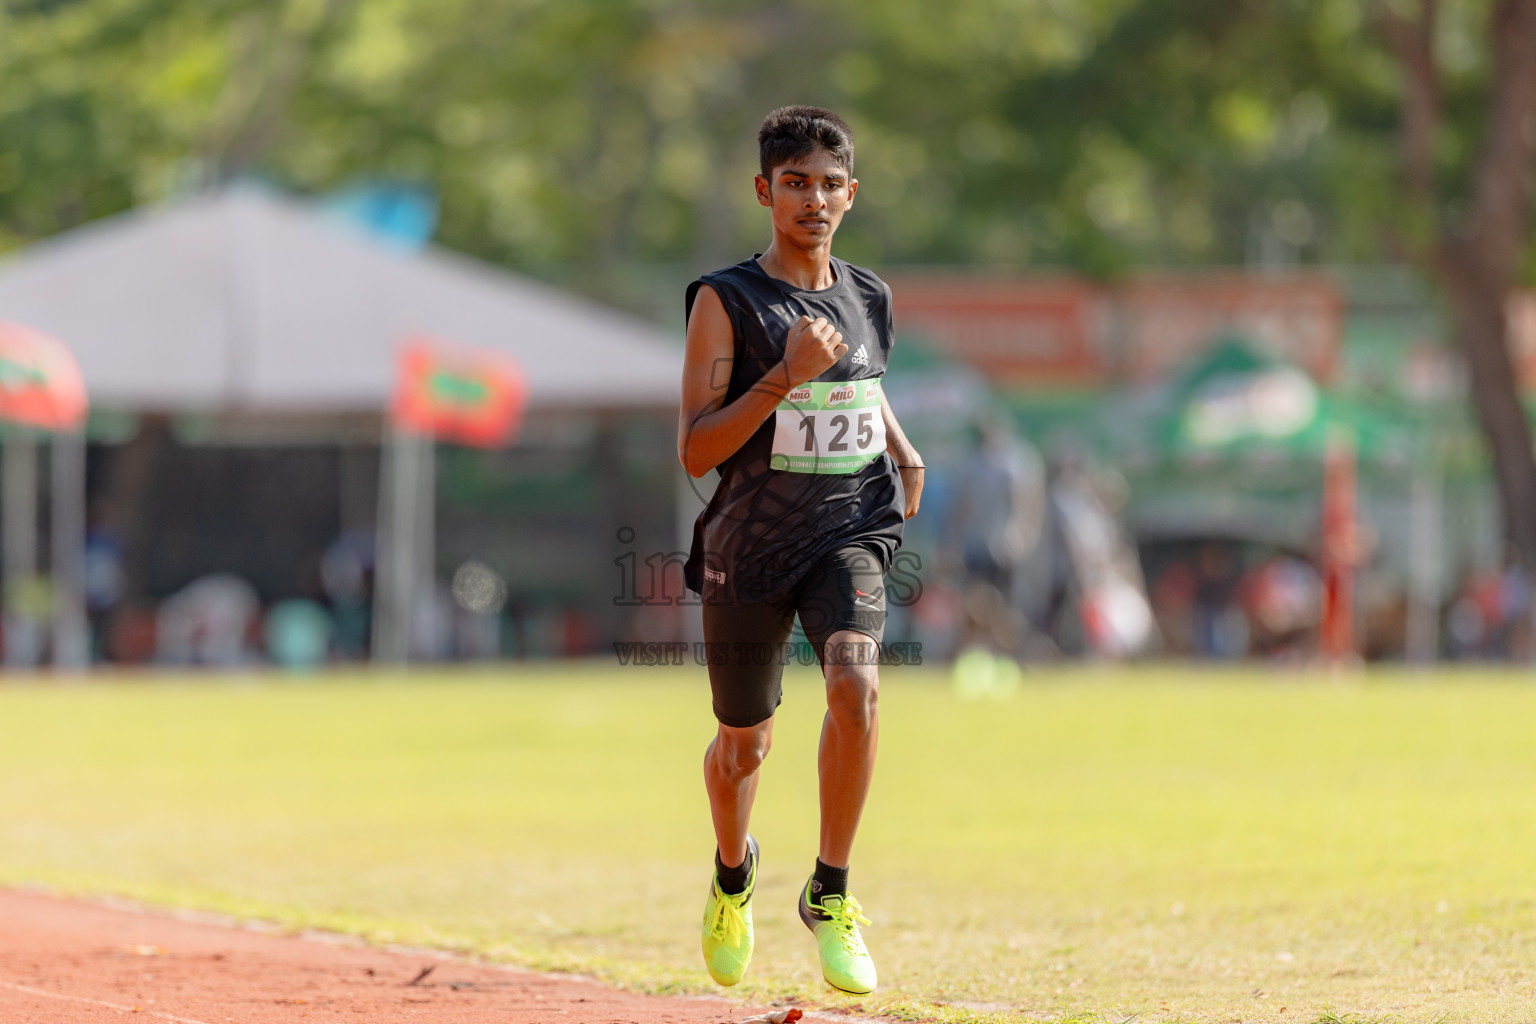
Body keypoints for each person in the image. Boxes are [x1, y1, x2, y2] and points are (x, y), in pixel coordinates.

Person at [677, 106, 923, 995]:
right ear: (764, 192)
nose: (812, 199)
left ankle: (830, 894)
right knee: (744, 744)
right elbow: (697, 449)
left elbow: (862, 380)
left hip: (850, 527)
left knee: (857, 685)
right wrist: (783, 373)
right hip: (750, 546)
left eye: (828, 184)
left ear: (850, 195)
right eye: (794, 183)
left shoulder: (869, 295)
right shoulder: (726, 301)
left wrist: (899, 442)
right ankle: (734, 875)